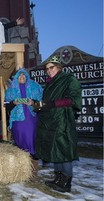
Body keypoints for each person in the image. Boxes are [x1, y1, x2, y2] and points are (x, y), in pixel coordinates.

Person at [35, 56, 82, 193]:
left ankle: (66, 182)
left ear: (59, 67)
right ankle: (58, 178)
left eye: (52, 67)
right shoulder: (50, 84)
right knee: (55, 148)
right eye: (47, 68)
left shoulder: (68, 79)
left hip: (63, 120)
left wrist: (52, 104)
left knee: (63, 148)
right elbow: (48, 102)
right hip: (51, 121)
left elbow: (73, 99)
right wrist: (41, 106)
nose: (48, 71)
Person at [4, 68, 43, 177]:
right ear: (16, 78)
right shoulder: (11, 90)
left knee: (32, 142)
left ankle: (33, 171)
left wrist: (32, 102)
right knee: (19, 140)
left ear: (27, 77)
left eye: (24, 76)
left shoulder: (35, 88)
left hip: (31, 119)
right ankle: (21, 170)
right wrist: (14, 102)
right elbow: (6, 105)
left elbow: (41, 104)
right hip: (17, 120)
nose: (22, 78)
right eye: (19, 76)